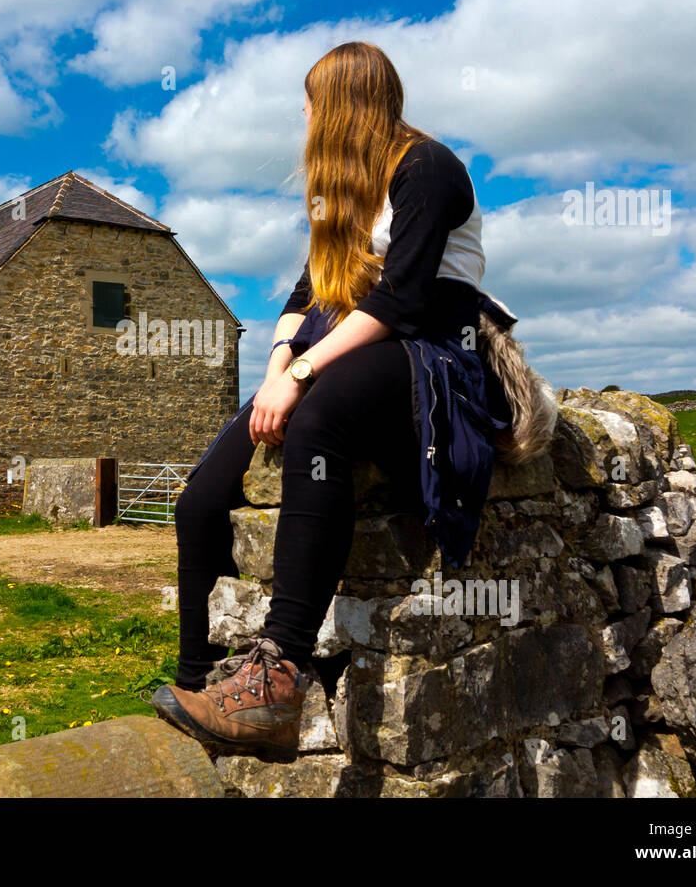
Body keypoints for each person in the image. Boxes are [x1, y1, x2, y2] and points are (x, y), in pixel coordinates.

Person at [150, 40, 512, 761]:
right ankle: (201, 687)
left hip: (429, 349)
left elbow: (404, 301)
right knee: (199, 500)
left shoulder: (427, 169)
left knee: (318, 420)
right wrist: (282, 361)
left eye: (312, 104)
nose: (306, 118)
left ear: (343, 107)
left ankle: (277, 682)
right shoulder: (341, 193)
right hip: (337, 344)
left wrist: (306, 374)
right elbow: (301, 294)